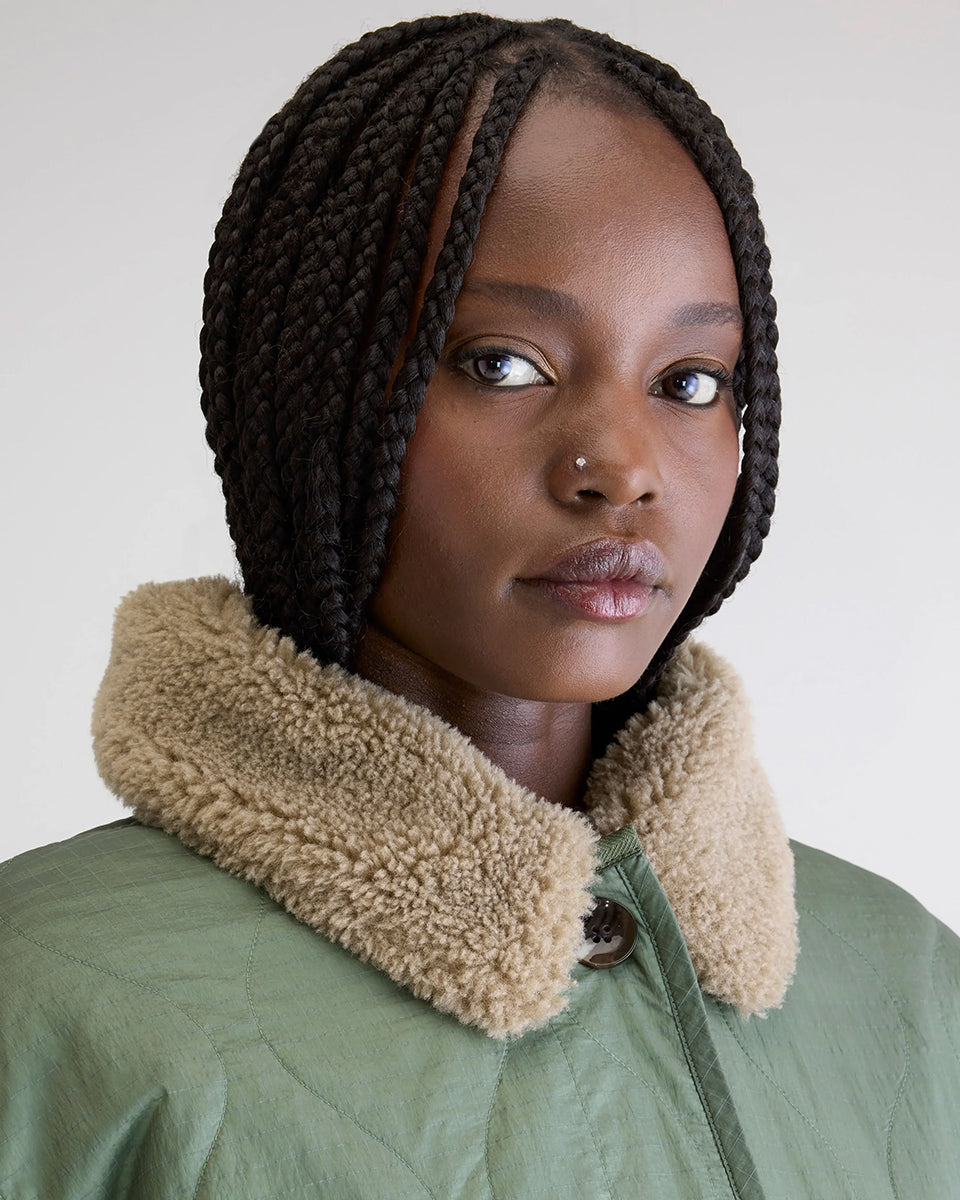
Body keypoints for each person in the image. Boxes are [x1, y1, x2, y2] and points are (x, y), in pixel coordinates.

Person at [1, 13, 957, 1198]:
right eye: (504, 363)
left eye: (690, 381)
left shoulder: (912, 987)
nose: (623, 466)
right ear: (309, 390)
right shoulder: (47, 1003)